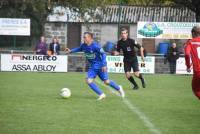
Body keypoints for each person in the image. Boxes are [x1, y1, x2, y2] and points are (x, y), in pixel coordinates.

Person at [65, 32, 125, 100]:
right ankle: (101, 94)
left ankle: (119, 88)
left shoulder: (96, 46)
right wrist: (70, 51)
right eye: (83, 37)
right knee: (88, 81)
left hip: (100, 66)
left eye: (85, 37)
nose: (84, 38)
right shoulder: (83, 45)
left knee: (106, 82)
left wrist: (104, 65)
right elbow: (79, 49)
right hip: (93, 67)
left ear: (90, 38)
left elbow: (103, 54)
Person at [185, 26, 200, 100]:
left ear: (193, 33)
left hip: (198, 72)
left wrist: (188, 66)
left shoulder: (190, 42)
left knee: (196, 89)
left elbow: (187, 54)